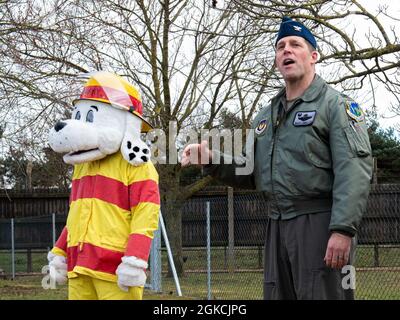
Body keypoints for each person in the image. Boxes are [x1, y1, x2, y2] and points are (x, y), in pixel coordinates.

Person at [181, 17, 373, 300]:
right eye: (280, 46)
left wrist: (342, 229)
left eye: (296, 45)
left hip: (319, 222)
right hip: (277, 225)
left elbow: (354, 170)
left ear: (314, 56)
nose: (287, 50)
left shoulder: (336, 106)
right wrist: (211, 159)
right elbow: (251, 170)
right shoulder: (265, 117)